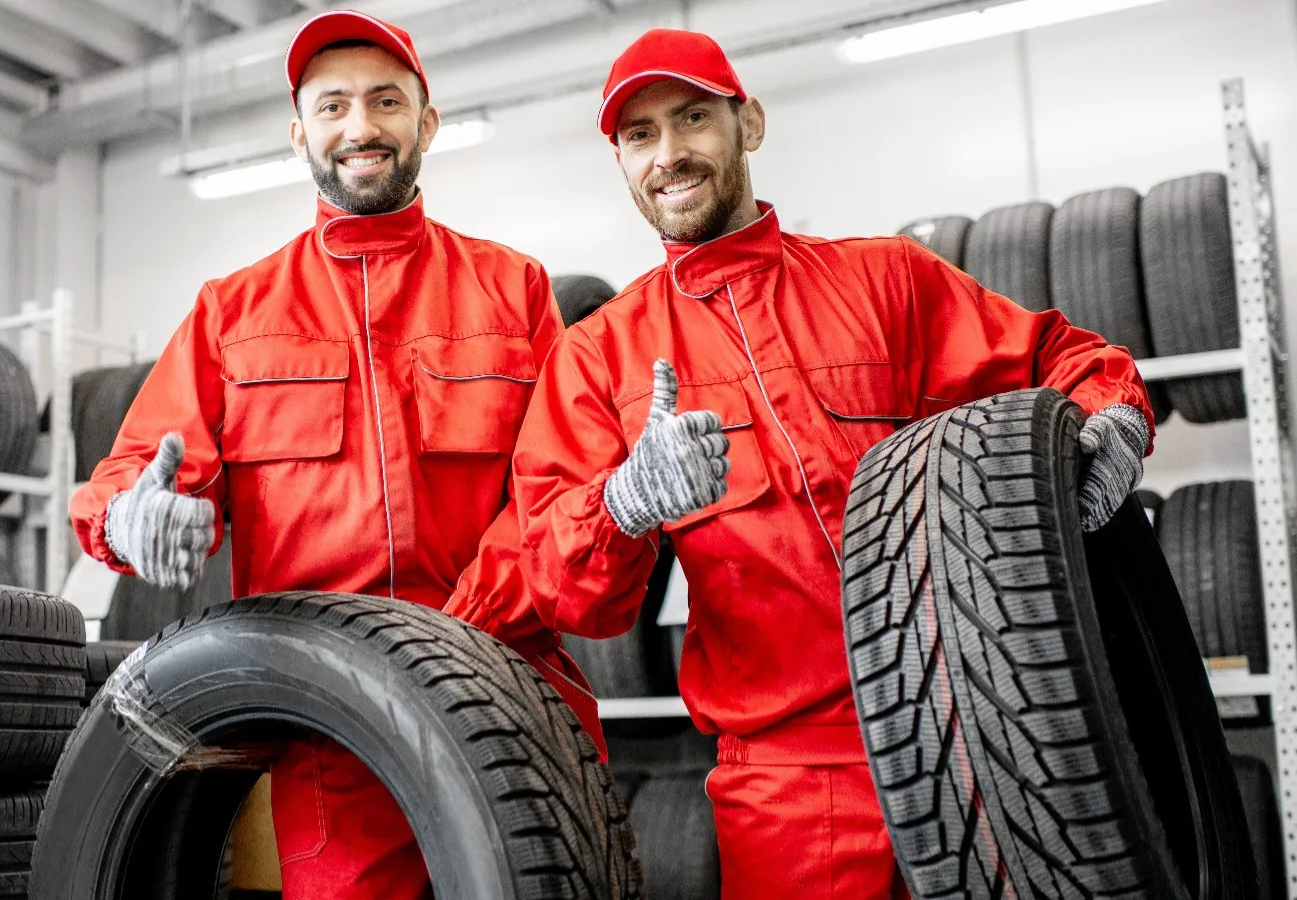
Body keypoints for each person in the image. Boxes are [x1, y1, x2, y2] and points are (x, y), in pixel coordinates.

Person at [498, 28, 1154, 898]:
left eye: (693, 117)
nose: (669, 153)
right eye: (640, 135)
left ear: (750, 124)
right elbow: (564, 588)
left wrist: (1114, 424)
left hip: (982, 727)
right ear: (620, 159)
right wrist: (624, 503)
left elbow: (1060, 360)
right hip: (790, 784)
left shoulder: (886, 281)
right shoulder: (600, 358)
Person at [69, 11, 603, 899]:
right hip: (335, 745)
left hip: (515, 699)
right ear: (300, 134)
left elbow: (559, 494)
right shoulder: (232, 314)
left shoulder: (515, 292)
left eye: (386, 102)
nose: (360, 127)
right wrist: (133, 517)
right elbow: (127, 478)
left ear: (426, 122)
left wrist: (449, 648)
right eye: (333, 107)